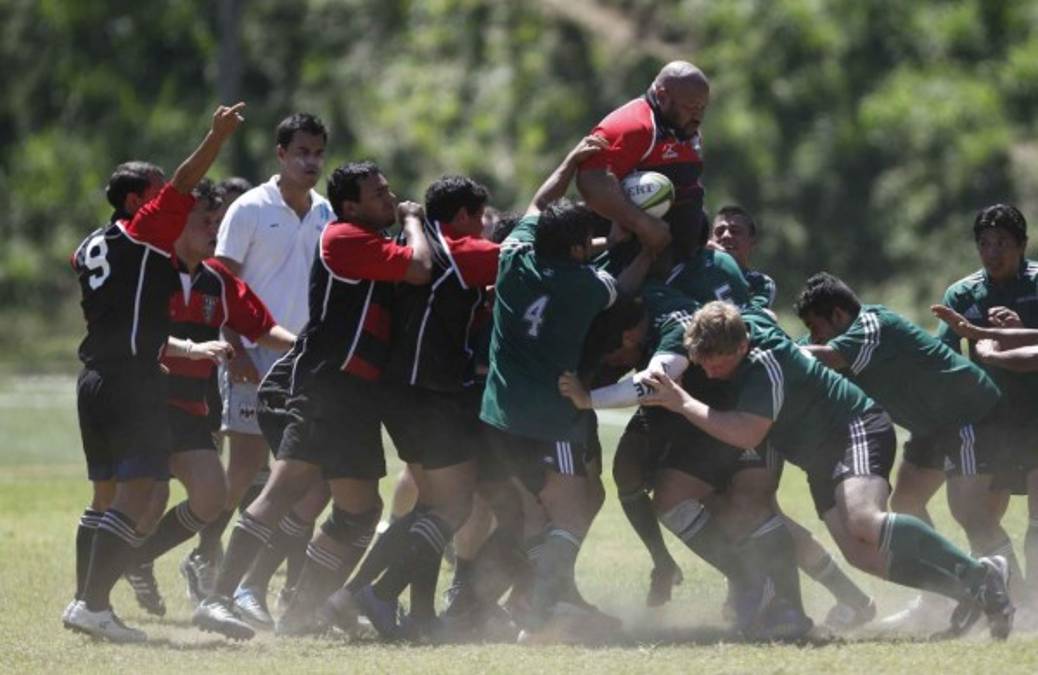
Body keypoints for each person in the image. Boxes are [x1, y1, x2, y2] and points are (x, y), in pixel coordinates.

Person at [641, 301, 1015, 640]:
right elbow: (755, 309)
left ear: (740, 347)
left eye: (716, 363)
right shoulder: (738, 329)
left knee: (864, 520)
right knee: (862, 554)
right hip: (819, 455)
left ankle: (979, 574)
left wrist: (682, 401)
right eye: (702, 361)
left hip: (854, 428)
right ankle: (966, 592)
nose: (708, 371)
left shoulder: (762, 365)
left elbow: (745, 432)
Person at [192, 161, 433, 641]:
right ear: (350, 206)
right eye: (378, 194)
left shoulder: (368, 240)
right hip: (327, 388)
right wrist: (413, 221)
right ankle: (218, 597)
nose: (389, 198)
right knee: (283, 491)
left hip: (355, 396)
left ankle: (300, 613)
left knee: (360, 511)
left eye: (389, 191)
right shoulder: (345, 237)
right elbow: (421, 268)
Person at [64, 103, 245, 643]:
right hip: (131, 381)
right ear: (137, 201)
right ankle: (94, 605)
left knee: (105, 497)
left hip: (95, 377)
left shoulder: (89, 247)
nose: (176, 196)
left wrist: (190, 349)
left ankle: (84, 602)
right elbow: (190, 178)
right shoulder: (142, 234)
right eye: (161, 189)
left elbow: (126, 323)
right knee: (141, 493)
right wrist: (214, 137)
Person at [559, 283, 811, 640]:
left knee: (750, 503)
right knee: (670, 496)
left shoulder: (675, 337)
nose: (613, 364)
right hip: (710, 417)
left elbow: (653, 382)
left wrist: (587, 399)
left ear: (630, 336)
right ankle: (753, 584)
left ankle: (800, 607)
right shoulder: (648, 306)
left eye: (613, 356)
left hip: (747, 416)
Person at [320, 175, 501, 640]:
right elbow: (531, 260)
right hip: (431, 395)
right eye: (479, 217)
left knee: (429, 504)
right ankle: (373, 593)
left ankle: (394, 606)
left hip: (398, 393)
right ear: (461, 216)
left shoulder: (404, 242)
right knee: (454, 504)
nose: (483, 226)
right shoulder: (458, 250)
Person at [796, 272, 1019, 627]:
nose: (812, 334)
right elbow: (807, 352)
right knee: (906, 504)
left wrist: (777, 351)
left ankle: (1016, 604)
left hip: (968, 414)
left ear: (838, 316)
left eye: (815, 325)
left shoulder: (871, 323)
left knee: (971, 511)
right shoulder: (842, 334)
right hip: (932, 426)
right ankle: (936, 600)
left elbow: (824, 356)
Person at [186, 114, 334, 622]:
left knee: (304, 477)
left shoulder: (325, 212)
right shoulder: (249, 209)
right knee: (247, 469)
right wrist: (237, 348)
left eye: (318, 152)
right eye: (302, 151)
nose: (310, 161)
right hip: (254, 354)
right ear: (280, 154)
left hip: (302, 358)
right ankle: (206, 558)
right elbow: (218, 283)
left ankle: (273, 586)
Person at [127, 179, 295, 622]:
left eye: (219, 222)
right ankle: (96, 596)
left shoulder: (218, 279)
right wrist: (188, 350)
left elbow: (261, 326)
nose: (215, 231)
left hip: (190, 406)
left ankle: (135, 557)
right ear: (179, 221)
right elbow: (129, 335)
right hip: (141, 403)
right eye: (207, 221)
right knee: (145, 499)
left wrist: (303, 347)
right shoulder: (148, 270)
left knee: (210, 497)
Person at [710, 210, 874, 628]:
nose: (727, 236)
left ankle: (792, 606)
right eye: (719, 230)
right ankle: (829, 598)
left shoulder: (756, 286)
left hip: (756, 410)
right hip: (724, 408)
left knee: (755, 507)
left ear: (753, 243)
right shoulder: (704, 274)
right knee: (743, 508)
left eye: (738, 231)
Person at [933, 203, 1038, 608]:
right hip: (989, 421)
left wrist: (1012, 335)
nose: (993, 252)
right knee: (970, 513)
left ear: (1023, 245)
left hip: (1035, 416)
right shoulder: (962, 294)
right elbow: (944, 356)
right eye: (984, 243)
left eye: (1003, 243)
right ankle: (1018, 592)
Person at [577, 60, 709, 263]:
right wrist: (641, 223)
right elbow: (592, 181)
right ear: (663, 97)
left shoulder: (684, 128)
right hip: (631, 265)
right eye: (690, 107)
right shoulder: (632, 126)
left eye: (702, 106)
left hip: (680, 259)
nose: (698, 115)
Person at [709, 206, 776, 310]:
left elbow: (753, 317)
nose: (725, 236)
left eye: (735, 231)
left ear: (752, 241)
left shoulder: (760, 283)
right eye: (719, 232)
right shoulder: (698, 276)